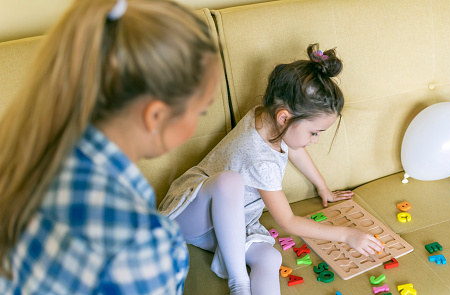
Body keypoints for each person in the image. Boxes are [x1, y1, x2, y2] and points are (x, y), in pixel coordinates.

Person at [0, 0, 219, 293]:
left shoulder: (18, 158)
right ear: (155, 116)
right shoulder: (141, 242)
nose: (198, 121)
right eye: (200, 111)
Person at [158, 44, 384, 295]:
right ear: (285, 117)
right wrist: (346, 235)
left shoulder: (267, 119)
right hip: (190, 214)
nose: (315, 139)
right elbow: (288, 221)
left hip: (229, 227)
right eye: (314, 132)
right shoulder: (261, 158)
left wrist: (323, 187)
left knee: (270, 258)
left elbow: (295, 148)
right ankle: (239, 284)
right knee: (229, 181)